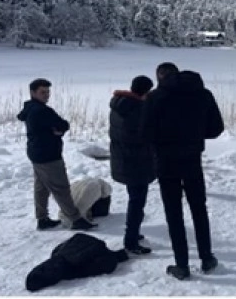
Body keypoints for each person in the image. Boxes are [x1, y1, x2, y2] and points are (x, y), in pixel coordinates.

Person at [141, 62, 224, 281]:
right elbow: (216, 128)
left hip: (166, 161)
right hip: (192, 158)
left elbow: (144, 133)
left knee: (174, 213)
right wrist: (194, 133)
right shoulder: (202, 94)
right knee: (198, 208)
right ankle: (206, 257)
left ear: (160, 77)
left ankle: (182, 265)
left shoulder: (155, 97)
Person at [19, 79, 94, 232]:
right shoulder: (42, 111)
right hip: (48, 155)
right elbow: (63, 124)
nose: (47, 95)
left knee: (41, 187)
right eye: (43, 92)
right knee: (61, 187)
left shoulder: (30, 108)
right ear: (33, 93)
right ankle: (75, 219)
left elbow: (59, 125)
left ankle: (42, 219)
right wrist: (58, 130)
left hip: (36, 152)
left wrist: (57, 129)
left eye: (48, 92)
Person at [110, 76, 156, 254]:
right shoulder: (138, 110)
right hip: (137, 162)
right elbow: (143, 137)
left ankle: (133, 233)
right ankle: (131, 240)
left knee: (134, 198)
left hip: (123, 160)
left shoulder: (119, 105)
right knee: (137, 201)